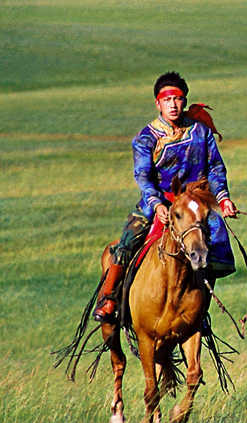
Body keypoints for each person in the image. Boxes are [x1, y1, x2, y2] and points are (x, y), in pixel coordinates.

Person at [93, 71, 238, 323]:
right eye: (167, 99)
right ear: (158, 103)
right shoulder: (146, 138)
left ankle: (199, 309)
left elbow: (215, 167)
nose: (173, 104)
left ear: (184, 101)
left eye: (178, 98)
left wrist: (223, 198)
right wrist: (156, 202)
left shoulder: (200, 132)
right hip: (159, 202)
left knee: (214, 248)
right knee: (127, 243)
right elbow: (143, 175)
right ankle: (110, 300)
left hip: (194, 204)